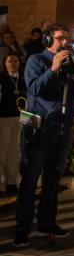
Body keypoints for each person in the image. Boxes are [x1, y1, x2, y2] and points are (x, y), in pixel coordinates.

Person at [13, 24, 74, 247]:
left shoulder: (69, 62)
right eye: (60, 38)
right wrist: (53, 69)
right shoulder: (36, 61)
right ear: (48, 40)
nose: (65, 42)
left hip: (62, 129)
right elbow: (35, 88)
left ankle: (46, 223)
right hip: (39, 128)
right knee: (29, 179)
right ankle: (22, 227)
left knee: (52, 180)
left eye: (67, 38)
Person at [0, 52, 26, 195]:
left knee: (15, 153)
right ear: (5, 63)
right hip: (3, 119)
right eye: (9, 61)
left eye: (15, 61)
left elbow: (26, 101)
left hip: (19, 119)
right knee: (1, 153)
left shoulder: (22, 80)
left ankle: (11, 183)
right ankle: (0, 184)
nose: (13, 63)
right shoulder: (2, 79)